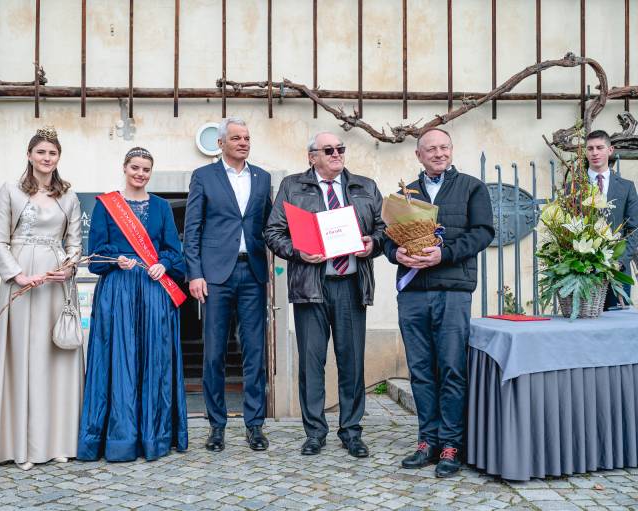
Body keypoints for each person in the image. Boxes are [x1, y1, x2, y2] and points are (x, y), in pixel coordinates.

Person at [264, 132, 384, 458]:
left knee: (352, 362)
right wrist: (298, 252)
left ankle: (352, 432)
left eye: (340, 149)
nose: (336, 154)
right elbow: (273, 232)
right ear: (312, 156)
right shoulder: (292, 186)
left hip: (351, 285)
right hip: (310, 287)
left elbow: (383, 230)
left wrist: (373, 244)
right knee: (311, 363)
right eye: (328, 150)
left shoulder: (365, 186)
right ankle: (315, 433)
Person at [382, 127, 494, 478]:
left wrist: (444, 254)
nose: (438, 153)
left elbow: (483, 233)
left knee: (451, 369)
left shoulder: (472, 187)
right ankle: (426, 441)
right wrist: (396, 253)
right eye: (430, 149)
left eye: (444, 147)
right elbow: (386, 238)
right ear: (419, 155)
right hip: (413, 293)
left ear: (451, 150)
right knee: (420, 370)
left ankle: (451, 445)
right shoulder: (404, 194)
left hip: (452, 290)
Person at [77, 147, 188, 462]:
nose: (140, 174)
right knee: (120, 362)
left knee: (155, 361)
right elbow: (95, 257)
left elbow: (174, 251)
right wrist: (116, 259)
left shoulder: (162, 207)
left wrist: (164, 264)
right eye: (135, 168)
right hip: (118, 293)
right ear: (125, 168)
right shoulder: (106, 205)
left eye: (146, 169)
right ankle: (120, 440)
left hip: (153, 292)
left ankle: (154, 437)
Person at [0, 126, 84, 470]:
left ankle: (59, 442)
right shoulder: (10, 191)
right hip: (22, 283)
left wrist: (69, 269)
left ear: (59, 158)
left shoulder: (68, 196)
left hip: (56, 285)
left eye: (52, 153)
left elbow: (75, 243)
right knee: (24, 359)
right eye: (41, 152)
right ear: (29, 155)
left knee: (56, 359)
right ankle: (21, 446)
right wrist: (17, 274)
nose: (46, 158)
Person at [184, 118, 272, 452]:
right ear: (221, 143)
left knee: (255, 352)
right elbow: (192, 228)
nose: (243, 142)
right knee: (214, 353)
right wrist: (195, 273)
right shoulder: (203, 176)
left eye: (247, 137)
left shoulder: (262, 178)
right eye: (236, 138)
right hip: (215, 276)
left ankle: (255, 425)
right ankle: (216, 426)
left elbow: (270, 226)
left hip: (253, 272)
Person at [584, 129, 638, 308]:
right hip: (583, 272)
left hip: (618, 271)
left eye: (599, 147)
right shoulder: (574, 187)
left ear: (610, 150)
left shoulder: (627, 187)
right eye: (590, 148)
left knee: (618, 320)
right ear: (586, 152)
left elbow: (634, 229)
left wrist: (619, 261)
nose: (595, 153)